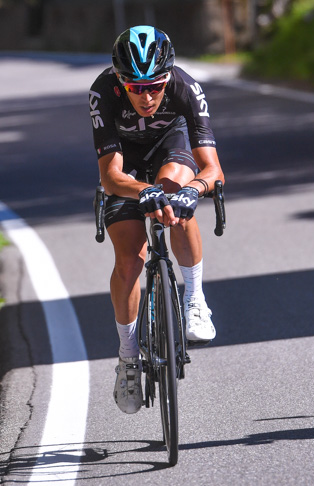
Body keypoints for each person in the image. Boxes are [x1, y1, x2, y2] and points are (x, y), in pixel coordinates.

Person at [88, 26, 225, 414]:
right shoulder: (103, 92)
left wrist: (193, 190)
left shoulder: (185, 87)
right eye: (136, 87)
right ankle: (128, 357)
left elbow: (212, 169)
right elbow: (110, 177)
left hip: (170, 150)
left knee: (175, 206)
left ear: (169, 77)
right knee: (129, 259)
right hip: (125, 165)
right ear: (120, 80)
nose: (147, 96)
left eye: (156, 85)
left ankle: (195, 300)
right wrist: (138, 190)